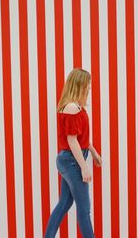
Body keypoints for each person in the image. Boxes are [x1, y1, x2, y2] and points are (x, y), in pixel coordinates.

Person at [44, 68, 102, 238]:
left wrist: (93, 151)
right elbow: (72, 140)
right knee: (84, 208)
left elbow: (78, 137)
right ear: (79, 84)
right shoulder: (71, 107)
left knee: (65, 202)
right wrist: (84, 167)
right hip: (72, 161)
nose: (89, 88)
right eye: (87, 84)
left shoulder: (74, 106)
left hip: (69, 159)